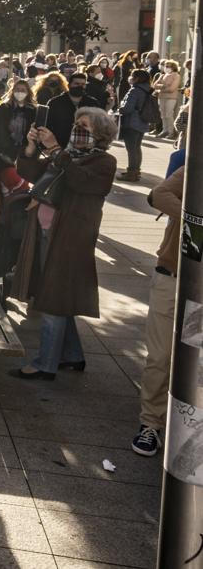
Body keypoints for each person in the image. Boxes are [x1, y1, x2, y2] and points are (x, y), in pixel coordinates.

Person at [9, 108, 116, 380]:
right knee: (59, 294)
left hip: (71, 238)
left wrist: (56, 149)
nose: (77, 130)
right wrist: (32, 147)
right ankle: (72, 354)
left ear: (100, 135)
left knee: (54, 297)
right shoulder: (67, 155)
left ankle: (45, 363)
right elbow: (32, 173)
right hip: (47, 232)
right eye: (76, 124)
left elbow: (83, 183)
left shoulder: (103, 162)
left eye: (85, 127)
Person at [134, 166, 184, 457]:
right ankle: (150, 423)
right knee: (160, 356)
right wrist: (195, 218)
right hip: (171, 276)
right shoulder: (195, 168)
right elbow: (158, 194)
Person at [45, 71, 103, 149]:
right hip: (60, 146)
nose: (80, 86)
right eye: (76, 84)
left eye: (83, 84)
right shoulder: (55, 102)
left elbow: (99, 124)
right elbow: (47, 125)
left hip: (86, 147)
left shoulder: (92, 103)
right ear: (69, 85)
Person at [118, 68, 154, 182]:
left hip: (132, 121)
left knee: (131, 149)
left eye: (132, 76)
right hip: (143, 121)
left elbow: (128, 108)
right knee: (137, 147)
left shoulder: (135, 90)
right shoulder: (148, 90)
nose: (130, 78)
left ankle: (131, 173)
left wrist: (120, 109)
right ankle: (136, 171)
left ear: (137, 78)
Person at [154, 60, 184, 137]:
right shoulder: (163, 75)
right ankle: (165, 130)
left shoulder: (176, 76)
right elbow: (155, 85)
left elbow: (172, 89)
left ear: (173, 67)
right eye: (165, 66)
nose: (166, 68)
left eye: (168, 66)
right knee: (162, 115)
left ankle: (171, 132)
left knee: (169, 114)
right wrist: (164, 86)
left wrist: (161, 88)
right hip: (161, 97)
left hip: (171, 98)